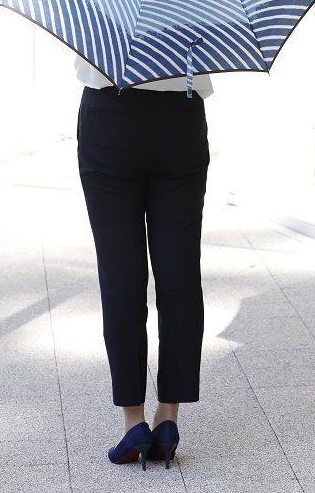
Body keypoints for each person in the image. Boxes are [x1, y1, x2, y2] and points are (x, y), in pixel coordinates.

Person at [75, 55, 212, 470]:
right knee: (180, 275)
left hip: (109, 112)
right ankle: (167, 416)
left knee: (121, 277)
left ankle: (133, 422)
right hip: (180, 116)